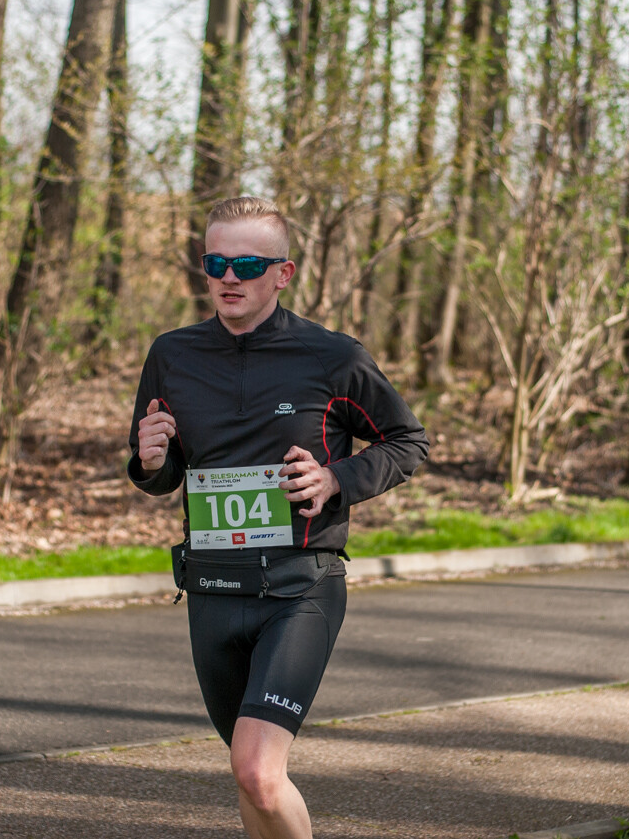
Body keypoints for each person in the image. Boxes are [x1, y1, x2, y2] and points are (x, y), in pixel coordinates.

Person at [128, 196, 428, 839]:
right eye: (215, 261)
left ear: (282, 273)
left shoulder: (331, 356)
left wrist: (336, 478)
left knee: (259, 771)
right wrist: (150, 459)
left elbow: (408, 442)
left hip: (299, 585)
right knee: (250, 776)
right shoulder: (172, 354)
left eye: (246, 263)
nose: (228, 277)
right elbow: (163, 469)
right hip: (211, 587)